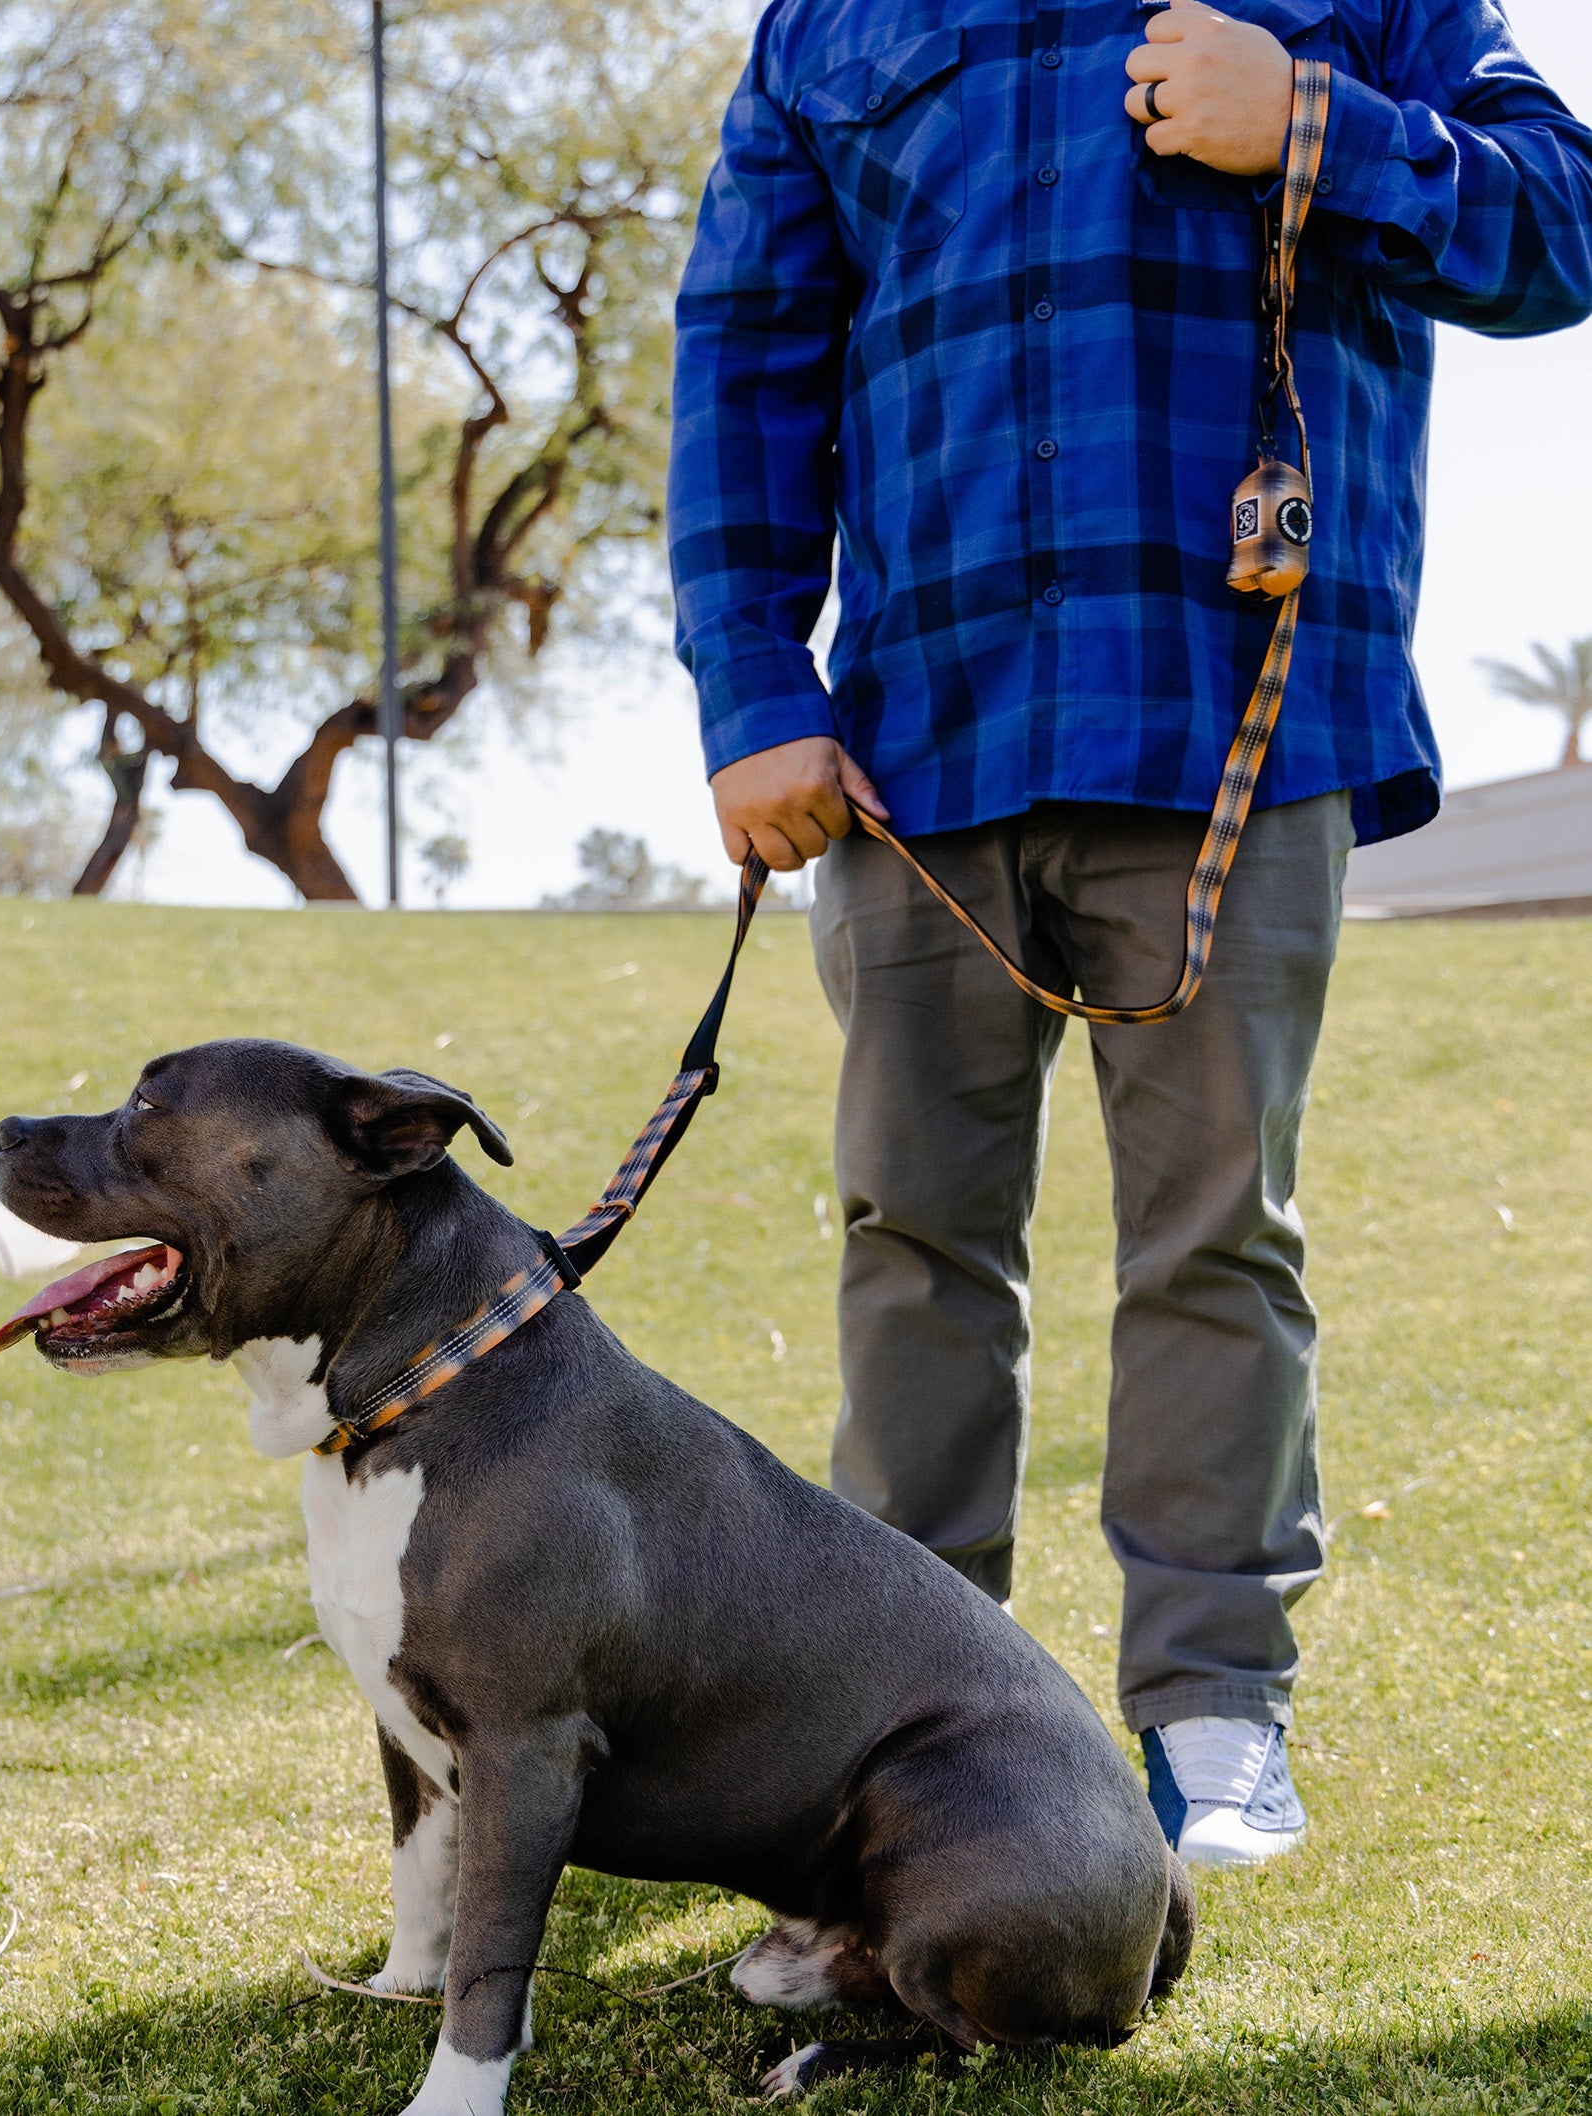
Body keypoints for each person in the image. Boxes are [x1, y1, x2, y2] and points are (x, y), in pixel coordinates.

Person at [668, 0, 1592, 1866]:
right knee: (909, 1239)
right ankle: (898, 1724)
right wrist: (750, 683)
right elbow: (747, 349)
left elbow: (1559, 226)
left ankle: (1211, 1716)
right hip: (918, 747)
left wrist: (1316, 125)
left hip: (1238, 724)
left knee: (1211, 1239)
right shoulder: (822, 27)